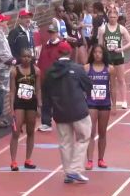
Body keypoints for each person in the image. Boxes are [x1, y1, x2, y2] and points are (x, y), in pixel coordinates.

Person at [43, 41, 92, 184]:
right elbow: (88, 85)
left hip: (59, 111)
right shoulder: (77, 69)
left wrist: (47, 114)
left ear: (57, 53)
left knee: (65, 142)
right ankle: (75, 170)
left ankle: (67, 172)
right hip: (78, 110)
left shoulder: (50, 71)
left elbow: (46, 94)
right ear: (70, 52)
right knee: (83, 138)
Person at [9, 48, 41, 171]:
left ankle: (28, 159)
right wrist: (11, 108)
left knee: (31, 131)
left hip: (31, 103)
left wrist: (39, 105)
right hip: (19, 103)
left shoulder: (36, 71)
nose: (26, 58)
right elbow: (12, 92)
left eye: (28, 56)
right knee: (16, 132)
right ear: (20, 57)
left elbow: (38, 89)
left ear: (31, 58)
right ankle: (13, 161)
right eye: (24, 56)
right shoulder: (15, 71)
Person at [85, 44, 116, 170]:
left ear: (104, 54)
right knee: (90, 133)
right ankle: (90, 160)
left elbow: (113, 88)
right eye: (95, 52)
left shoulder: (110, 69)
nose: (97, 54)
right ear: (92, 54)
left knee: (102, 133)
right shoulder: (86, 68)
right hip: (91, 104)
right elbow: (82, 86)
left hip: (105, 104)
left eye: (100, 52)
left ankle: (101, 159)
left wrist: (114, 105)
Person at [98, 9, 130, 109]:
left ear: (117, 17)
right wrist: (104, 50)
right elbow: (100, 45)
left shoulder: (121, 29)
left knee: (121, 79)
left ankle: (124, 101)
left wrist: (121, 48)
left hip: (118, 57)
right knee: (109, 80)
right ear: (107, 17)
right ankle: (108, 100)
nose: (112, 19)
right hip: (108, 57)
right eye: (110, 17)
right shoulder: (103, 29)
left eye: (114, 17)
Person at [37, 24, 66, 132]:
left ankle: (62, 121)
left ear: (57, 33)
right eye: (50, 32)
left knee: (59, 101)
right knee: (46, 101)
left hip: (57, 78)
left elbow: (65, 62)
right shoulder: (45, 45)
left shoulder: (62, 46)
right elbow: (41, 60)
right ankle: (46, 122)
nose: (52, 35)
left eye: (53, 32)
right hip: (45, 78)